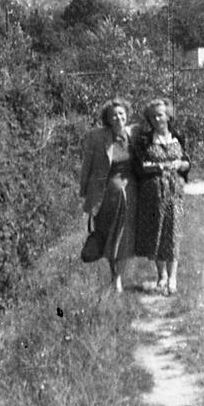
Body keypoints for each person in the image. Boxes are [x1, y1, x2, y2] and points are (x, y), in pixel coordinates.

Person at [78, 97, 138, 292]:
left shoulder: (135, 134)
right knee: (110, 235)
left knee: (126, 236)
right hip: (107, 196)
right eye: (114, 115)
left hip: (131, 193)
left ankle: (119, 277)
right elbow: (87, 165)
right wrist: (86, 195)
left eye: (121, 113)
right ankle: (114, 275)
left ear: (127, 115)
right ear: (108, 119)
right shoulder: (97, 137)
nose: (119, 118)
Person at [132, 97, 190, 295]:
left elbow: (187, 162)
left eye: (160, 115)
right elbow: (139, 166)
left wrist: (180, 165)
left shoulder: (178, 136)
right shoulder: (145, 140)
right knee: (157, 232)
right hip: (153, 193)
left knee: (173, 232)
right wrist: (158, 167)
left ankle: (173, 278)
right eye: (153, 116)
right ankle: (161, 275)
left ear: (168, 116)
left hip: (174, 191)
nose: (157, 119)